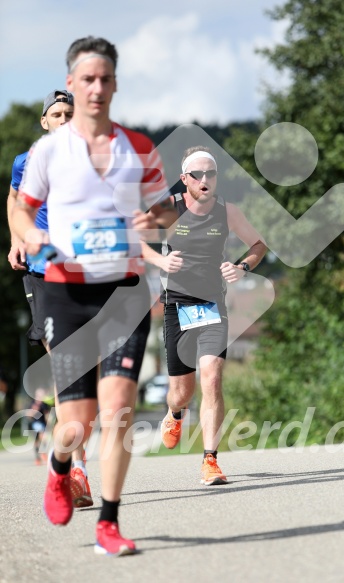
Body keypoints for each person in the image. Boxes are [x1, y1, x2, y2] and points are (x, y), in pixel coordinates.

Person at [12, 36, 174, 556]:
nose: (97, 88)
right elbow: (20, 207)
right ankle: (61, 469)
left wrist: (158, 218)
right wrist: (28, 235)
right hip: (65, 293)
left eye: (106, 78)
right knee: (75, 424)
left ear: (116, 84)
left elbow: (167, 208)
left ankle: (109, 520)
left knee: (120, 407)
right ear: (73, 83)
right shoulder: (46, 152)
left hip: (125, 291)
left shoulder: (139, 148)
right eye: (87, 79)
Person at [143, 145, 267, 485]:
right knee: (181, 392)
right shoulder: (169, 208)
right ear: (184, 179)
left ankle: (210, 460)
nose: (204, 179)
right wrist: (159, 261)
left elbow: (258, 244)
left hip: (211, 304)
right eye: (197, 174)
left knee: (211, 376)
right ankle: (175, 413)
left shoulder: (227, 212)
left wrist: (242, 267)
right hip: (176, 305)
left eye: (210, 173)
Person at [7, 89, 93, 506]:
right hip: (42, 274)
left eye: (69, 113)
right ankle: (76, 468)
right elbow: (14, 200)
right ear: (45, 121)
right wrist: (15, 240)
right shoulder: (26, 162)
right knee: (64, 362)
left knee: (80, 370)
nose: (63, 118)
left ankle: (73, 458)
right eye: (56, 113)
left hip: (84, 273)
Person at [27, 388, 51, 465]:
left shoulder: (44, 405)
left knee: (43, 439)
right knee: (36, 442)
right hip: (34, 424)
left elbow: (47, 415)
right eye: (40, 395)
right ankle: (37, 457)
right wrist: (34, 410)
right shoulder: (32, 404)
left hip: (42, 424)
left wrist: (49, 423)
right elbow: (29, 416)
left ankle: (43, 453)